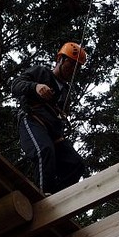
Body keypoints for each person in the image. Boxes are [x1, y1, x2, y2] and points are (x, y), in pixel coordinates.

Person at [11, 42, 87, 194]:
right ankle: (42, 196)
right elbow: (15, 85)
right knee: (44, 150)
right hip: (32, 120)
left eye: (77, 68)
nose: (72, 70)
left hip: (54, 133)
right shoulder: (41, 73)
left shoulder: (65, 92)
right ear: (60, 59)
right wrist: (35, 87)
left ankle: (56, 196)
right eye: (71, 64)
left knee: (76, 164)